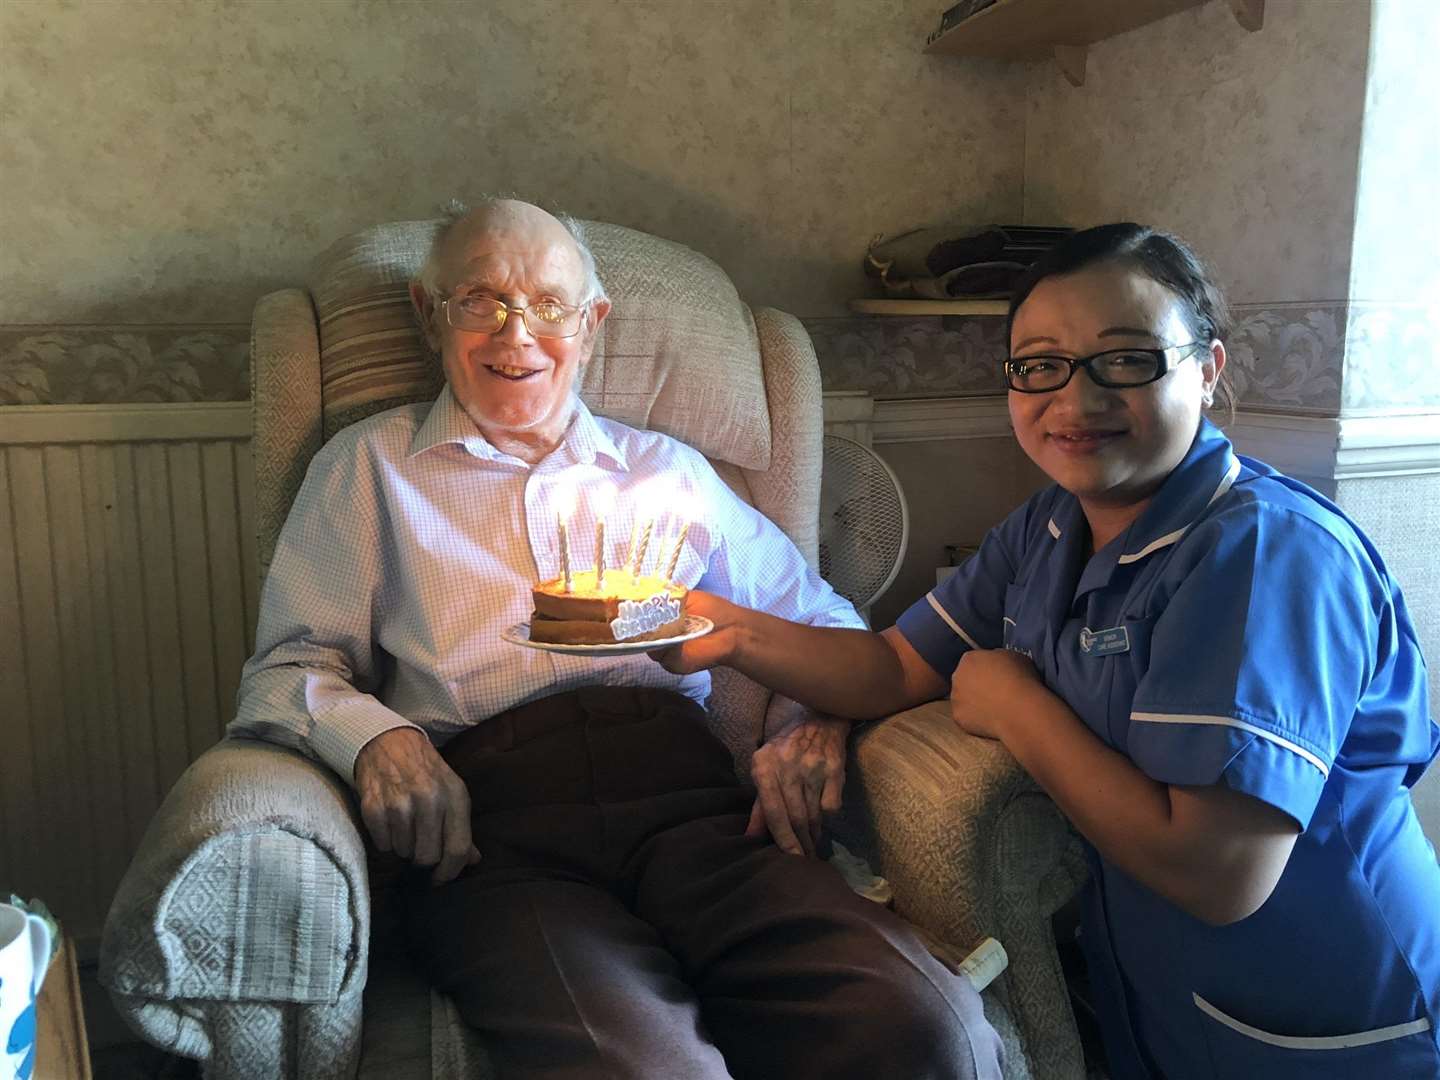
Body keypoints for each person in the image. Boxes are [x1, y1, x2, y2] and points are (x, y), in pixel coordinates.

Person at [229, 198, 1002, 1080]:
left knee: (926, 1027)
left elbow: (821, 617)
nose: (517, 333)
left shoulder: (667, 473)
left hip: (695, 812)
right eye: (481, 299)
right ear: (428, 315)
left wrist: (812, 722)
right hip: (497, 843)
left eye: (550, 305)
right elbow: (287, 667)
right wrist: (378, 739)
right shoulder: (369, 468)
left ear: (592, 327)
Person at [655, 223, 1440, 1080]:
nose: (1075, 399)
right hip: (1166, 1002)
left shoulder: (1265, 555)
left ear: (1208, 369)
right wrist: (724, 630)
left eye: (1126, 358)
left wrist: (1018, 709)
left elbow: (1221, 873)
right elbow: (890, 669)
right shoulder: (1049, 526)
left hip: (1327, 1021)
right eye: (1039, 366)